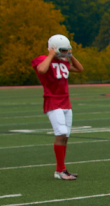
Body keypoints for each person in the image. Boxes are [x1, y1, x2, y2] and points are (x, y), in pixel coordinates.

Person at [31, 34, 83, 180]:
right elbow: (41, 70)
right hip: (53, 101)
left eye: (67, 50)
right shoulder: (43, 59)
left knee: (65, 136)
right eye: (63, 50)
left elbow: (80, 69)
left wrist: (71, 56)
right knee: (60, 134)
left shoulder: (64, 61)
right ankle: (59, 171)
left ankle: (62, 169)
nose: (65, 53)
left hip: (66, 101)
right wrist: (51, 55)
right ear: (53, 49)